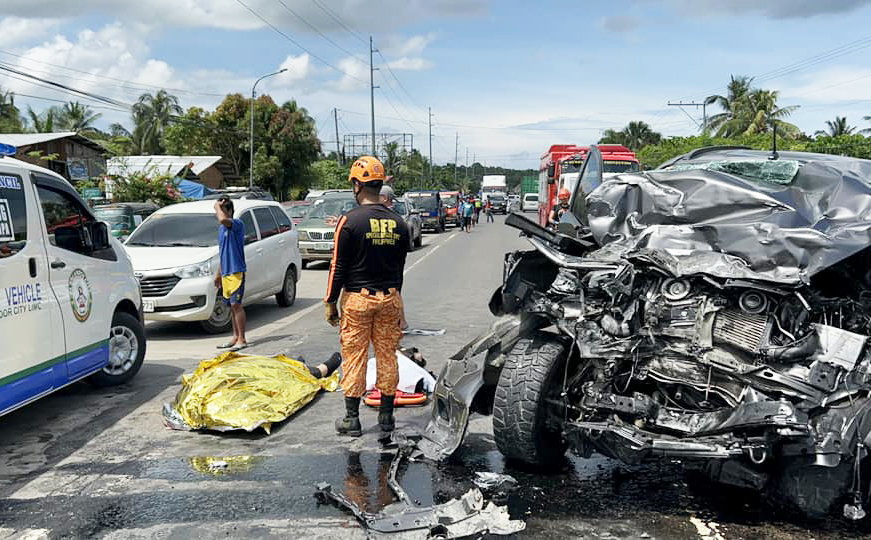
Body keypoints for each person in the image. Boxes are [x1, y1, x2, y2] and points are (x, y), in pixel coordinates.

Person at [324, 156, 410, 437]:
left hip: (358, 301)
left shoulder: (349, 221)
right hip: (389, 298)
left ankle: (352, 419)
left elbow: (337, 266)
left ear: (357, 185)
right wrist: (398, 301)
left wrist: (330, 302)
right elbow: (399, 268)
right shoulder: (399, 223)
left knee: (354, 356)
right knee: (388, 356)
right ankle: (386, 417)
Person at [214, 197, 248, 351]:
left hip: (237, 271)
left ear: (229, 211)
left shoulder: (237, 224)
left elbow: (222, 220)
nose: (220, 213)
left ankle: (242, 338)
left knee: (236, 304)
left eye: (222, 210)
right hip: (226, 272)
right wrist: (218, 274)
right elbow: (222, 252)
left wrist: (217, 207)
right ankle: (235, 337)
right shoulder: (222, 230)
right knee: (231, 307)